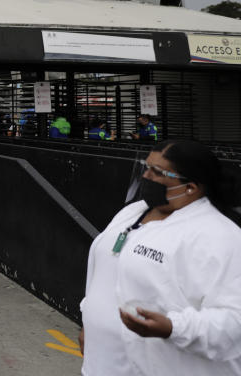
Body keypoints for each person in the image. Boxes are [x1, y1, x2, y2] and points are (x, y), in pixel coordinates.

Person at [79, 140, 241, 374]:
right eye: (146, 167)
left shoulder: (220, 236)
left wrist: (172, 328)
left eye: (157, 172)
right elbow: (101, 276)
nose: (146, 176)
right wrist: (88, 324)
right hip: (101, 365)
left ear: (190, 187)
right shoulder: (132, 212)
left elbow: (234, 322)